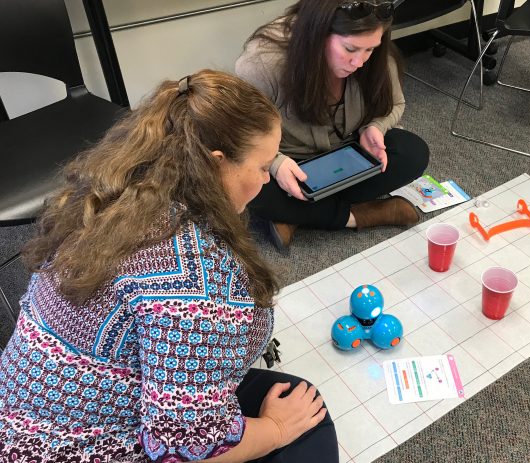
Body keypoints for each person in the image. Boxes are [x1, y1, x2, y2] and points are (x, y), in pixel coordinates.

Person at [0, 70, 338, 462]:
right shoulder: (197, 281)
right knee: (310, 427)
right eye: (264, 167)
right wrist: (275, 430)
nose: (267, 179)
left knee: (288, 395)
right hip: (80, 450)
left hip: (20, 421)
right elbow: (182, 452)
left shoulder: (115, 195)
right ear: (215, 164)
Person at [235, 0, 430, 250]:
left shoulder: (372, 50)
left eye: (369, 50)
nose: (359, 63)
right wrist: (275, 163)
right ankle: (361, 215)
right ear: (318, 34)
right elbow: (242, 133)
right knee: (248, 185)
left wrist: (376, 128)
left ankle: (297, 215)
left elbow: (395, 104)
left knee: (412, 152)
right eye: (350, 49)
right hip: (290, 160)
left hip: (349, 151)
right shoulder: (262, 63)